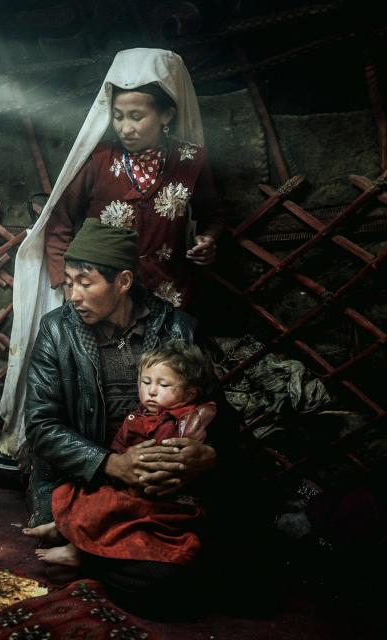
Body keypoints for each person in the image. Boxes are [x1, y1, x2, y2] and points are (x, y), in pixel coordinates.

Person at [0, 47, 226, 463]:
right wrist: (70, 287)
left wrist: (208, 241)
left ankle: (154, 462)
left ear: (166, 115)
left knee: (163, 390)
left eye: (137, 116)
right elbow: (59, 224)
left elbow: (212, 216)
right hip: (103, 299)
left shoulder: (190, 162)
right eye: (119, 116)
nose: (126, 126)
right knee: (95, 387)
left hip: (166, 297)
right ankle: (101, 463)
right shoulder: (98, 161)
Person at [18, 220, 237, 613]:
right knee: (170, 581)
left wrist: (206, 456)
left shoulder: (177, 328)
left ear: (122, 282)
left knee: (242, 552)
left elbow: (221, 418)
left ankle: (93, 555)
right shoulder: (57, 332)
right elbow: (40, 426)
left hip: (162, 485)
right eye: (69, 282)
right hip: (85, 480)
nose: (74, 295)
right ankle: (101, 552)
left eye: (86, 283)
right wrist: (114, 464)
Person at [27, 340, 218, 569]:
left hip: (157, 494)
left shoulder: (182, 423)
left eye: (164, 385)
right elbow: (118, 445)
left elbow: (163, 462)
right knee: (83, 493)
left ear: (189, 394)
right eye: (145, 382)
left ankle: (76, 551)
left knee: (106, 506)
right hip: (125, 479)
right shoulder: (142, 414)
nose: (151, 391)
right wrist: (114, 462)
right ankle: (62, 527)